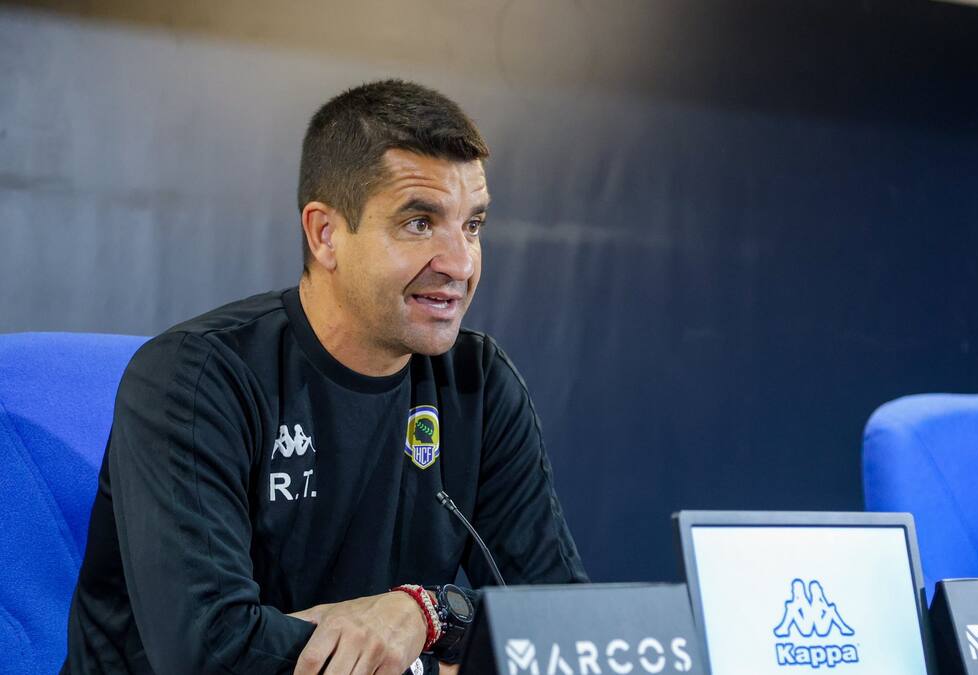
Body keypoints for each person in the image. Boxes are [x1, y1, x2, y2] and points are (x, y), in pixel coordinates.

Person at [62, 79, 588, 675]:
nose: (460, 263)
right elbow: (209, 652)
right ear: (325, 235)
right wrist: (424, 664)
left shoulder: (479, 383)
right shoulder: (194, 377)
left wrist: (430, 613)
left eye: (472, 225)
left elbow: (564, 623)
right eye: (420, 223)